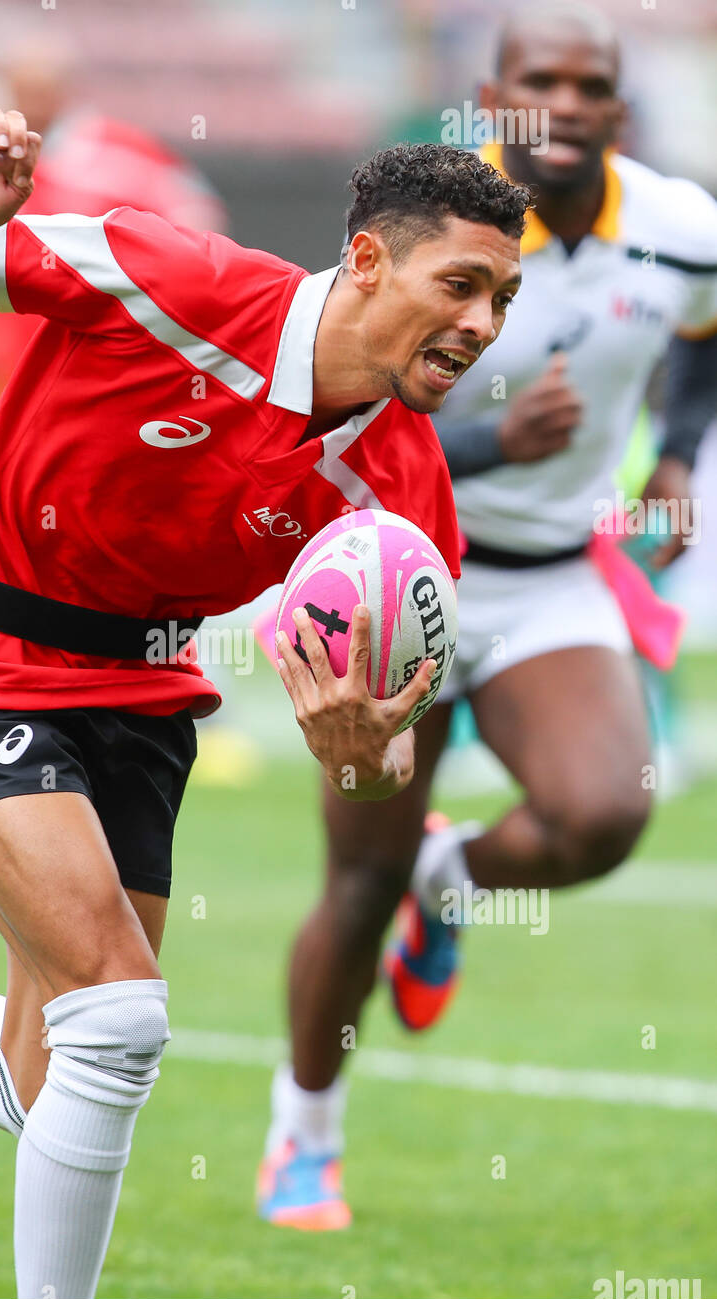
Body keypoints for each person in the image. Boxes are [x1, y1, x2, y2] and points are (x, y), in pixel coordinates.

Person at [0, 117, 526, 1299]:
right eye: (459, 284)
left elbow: (384, 768)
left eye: (502, 297)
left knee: (48, 1078)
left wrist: (357, 758)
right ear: (363, 261)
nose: (481, 323)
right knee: (117, 1018)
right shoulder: (172, 277)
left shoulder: (400, 485)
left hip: (145, 696)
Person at [258, 2, 717, 1231]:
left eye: (587, 84)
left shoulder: (679, 231)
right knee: (356, 884)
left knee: (606, 809)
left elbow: (703, 331)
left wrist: (671, 456)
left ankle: (449, 880)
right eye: (537, 81)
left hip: (550, 574)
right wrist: (485, 441)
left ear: (616, 107)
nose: (561, 104)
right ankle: (301, 1134)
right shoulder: (434, 228)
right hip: (398, 572)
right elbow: (331, 410)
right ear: (493, 96)